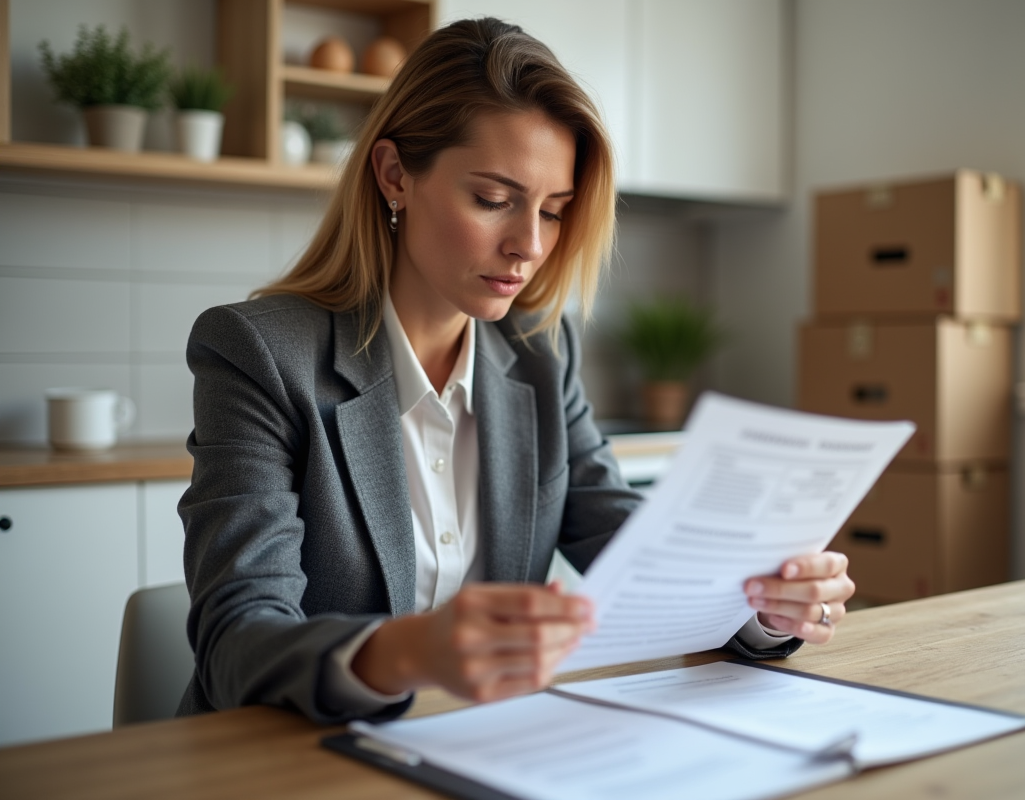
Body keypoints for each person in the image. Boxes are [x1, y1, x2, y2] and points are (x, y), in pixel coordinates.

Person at [177, 17, 855, 723]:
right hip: (289, 763)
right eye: (494, 201)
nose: (529, 246)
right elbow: (237, 643)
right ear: (394, 175)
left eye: (554, 212)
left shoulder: (540, 351)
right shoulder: (259, 353)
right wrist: (409, 651)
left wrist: (767, 603)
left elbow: (637, 550)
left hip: (483, 746)